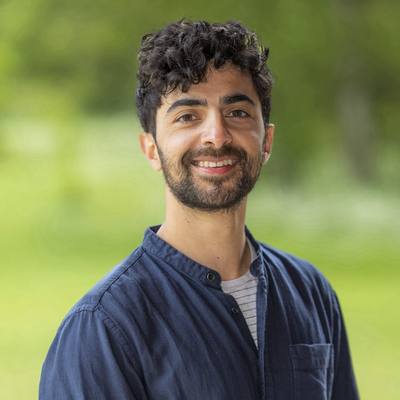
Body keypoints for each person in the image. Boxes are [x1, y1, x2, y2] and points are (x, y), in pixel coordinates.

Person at [39, 20, 359, 400]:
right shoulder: (103, 328)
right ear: (152, 149)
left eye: (237, 112)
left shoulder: (311, 292)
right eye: (187, 116)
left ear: (267, 140)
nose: (217, 136)